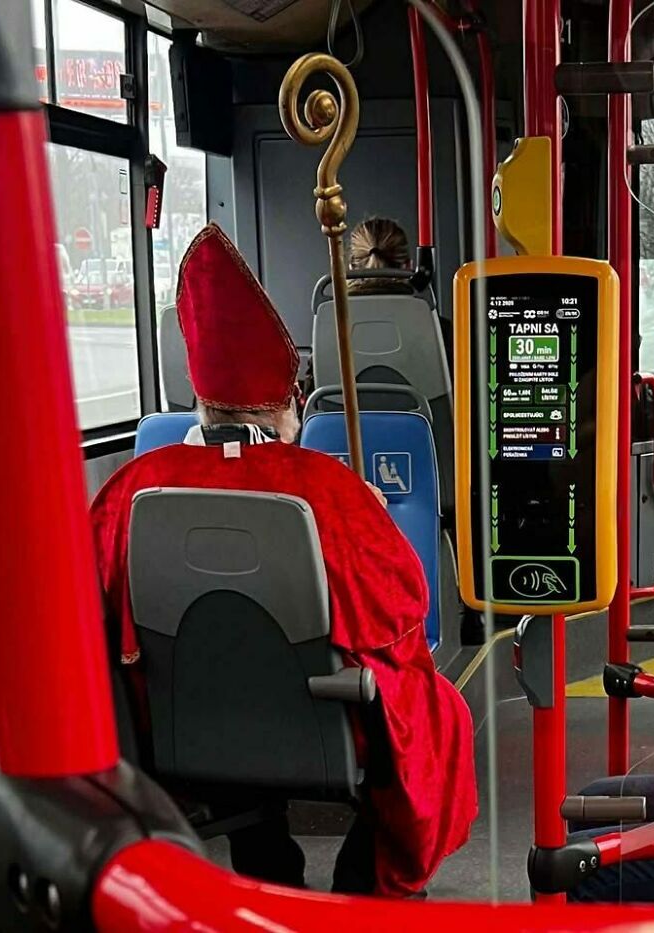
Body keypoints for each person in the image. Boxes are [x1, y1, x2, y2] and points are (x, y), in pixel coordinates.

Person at [91, 223, 477, 898]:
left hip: (177, 727)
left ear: (200, 397)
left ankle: (265, 865)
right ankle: (365, 886)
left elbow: (85, 603)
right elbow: (400, 612)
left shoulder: (132, 486)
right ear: (287, 402)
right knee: (434, 712)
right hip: (318, 723)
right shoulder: (327, 489)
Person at [303, 217, 413, 395]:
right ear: (408, 266)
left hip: (340, 423)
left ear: (351, 266)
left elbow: (312, 399)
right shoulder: (438, 329)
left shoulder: (329, 324)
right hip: (426, 422)